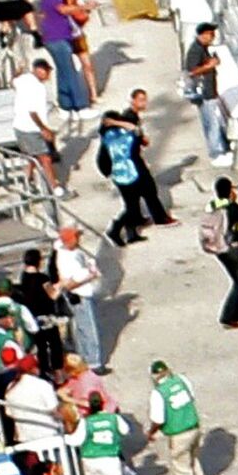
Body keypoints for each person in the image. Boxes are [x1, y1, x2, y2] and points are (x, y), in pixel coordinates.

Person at [102, 89, 175, 232]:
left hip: (132, 159)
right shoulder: (129, 117)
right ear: (133, 101)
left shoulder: (133, 115)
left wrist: (141, 139)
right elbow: (129, 131)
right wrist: (140, 138)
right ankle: (160, 218)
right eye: (141, 100)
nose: (144, 103)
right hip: (132, 160)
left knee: (139, 194)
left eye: (145, 99)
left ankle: (138, 219)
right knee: (149, 190)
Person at [146, 360, 210, 475]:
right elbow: (191, 397)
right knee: (193, 462)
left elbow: (158, 419)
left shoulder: (158, 393)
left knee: (182, 469)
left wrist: (151, 432)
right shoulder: (182, 380)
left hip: (178, 434)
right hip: (193, 426)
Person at [34, 0, 88, 115]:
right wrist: (83, 7)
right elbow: (63, 10)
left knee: (64, 72)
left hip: (57, 37)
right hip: (56, 39)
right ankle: (80, 105)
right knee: (70, 73)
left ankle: (66, 105)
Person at [52, 227, 104, 371]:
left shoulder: (63, 251)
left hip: (75, 295)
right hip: (80, 295)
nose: (79, 239)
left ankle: (84, 358)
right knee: (89, 329)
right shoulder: (67, 259)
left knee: (81, 328)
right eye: (76, 237)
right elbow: (70, 282)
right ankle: (95, 363)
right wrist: (90, 274)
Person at [99, 106, 152, 246]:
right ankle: (115, 229)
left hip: (118, 175)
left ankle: (131, 233)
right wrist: (117, 123)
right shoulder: (124, 136)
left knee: (131, 204)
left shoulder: (106, 138)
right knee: (132, 207)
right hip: (131, 173)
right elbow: (135, 130)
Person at [11, 58, 64, 196]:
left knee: (30, 156)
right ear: (38, 70)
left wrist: (18, 71)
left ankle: (27, 184)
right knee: (45, 158)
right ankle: (55, 188)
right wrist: (44, 129)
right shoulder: (38, 88)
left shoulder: (24, 78)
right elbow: (32, 111)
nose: (48, 75)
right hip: (31, 128)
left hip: (19, 126)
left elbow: (13, 82)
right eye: (47, 71)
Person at [209, 178, 238, 327]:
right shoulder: (232, 206)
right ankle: (226, 316)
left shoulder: (212, 205)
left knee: (236, 279)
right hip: (232, 247)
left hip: (217, 247)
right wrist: (233, 201)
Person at [13, 247, 66, 374]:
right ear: (39, 261)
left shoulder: (24, 277)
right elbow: (52, 295)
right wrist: (62, 286)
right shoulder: (43, 278)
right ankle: (58, 372)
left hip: (33, 317)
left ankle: (45, 371)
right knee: (55, 345)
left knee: (41, 346)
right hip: (46, 317)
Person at [184, 22, 230, 164]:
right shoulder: (196, 50)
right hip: (204, 92)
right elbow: (191, 71)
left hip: (209, 91)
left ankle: (216, 149)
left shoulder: (203, 48)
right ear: (203, 35)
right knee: (212, 123)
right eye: (211, 34)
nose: (213, 37)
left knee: (211, 122)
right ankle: (216, 152)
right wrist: (210, 65)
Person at [2, 355, 61, 442]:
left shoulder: (10, 387)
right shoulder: (43, 385)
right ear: (34, 369)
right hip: (48, 434)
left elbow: (9, 413)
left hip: (24, 438)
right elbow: (54, 411)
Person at [60, 0, 97, 103]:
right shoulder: (62, 6)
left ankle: (93, 94)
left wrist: (84, 1)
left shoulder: (79, 4)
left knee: (88, 66)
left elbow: (89, 9)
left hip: (78, 37)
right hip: (64, 40)